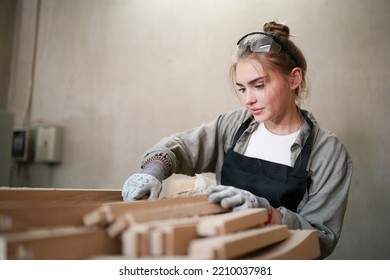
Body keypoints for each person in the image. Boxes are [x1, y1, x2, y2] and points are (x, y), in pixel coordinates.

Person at [121, 21, 353, 259]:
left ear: (294, 80)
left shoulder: (328, 153)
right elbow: (181, 148)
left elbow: (320, 240)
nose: (248, 100)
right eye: (242, 89)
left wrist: (264, 212)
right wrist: (153, 170)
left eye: (259, 86)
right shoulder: (234, 126)